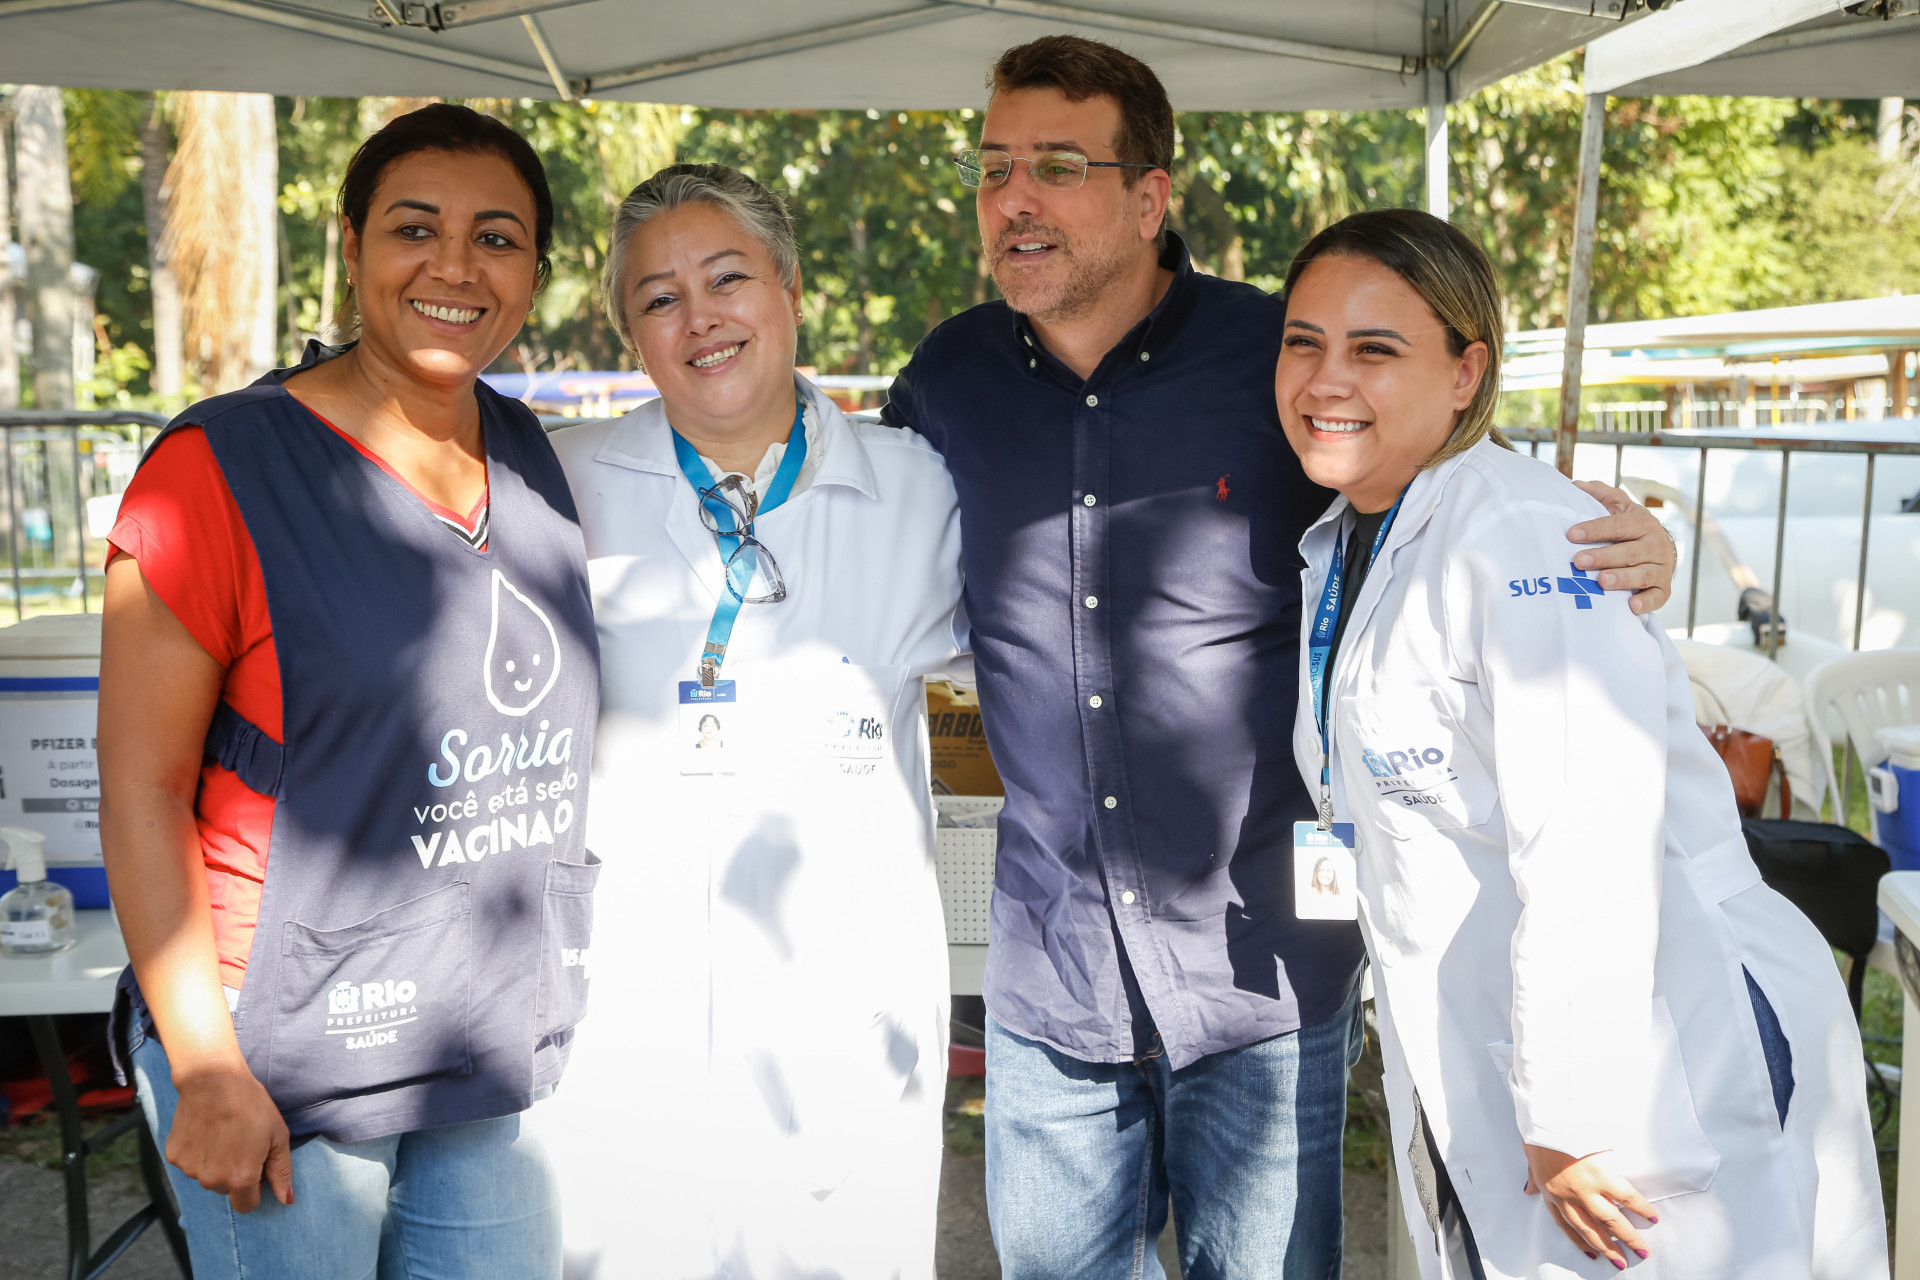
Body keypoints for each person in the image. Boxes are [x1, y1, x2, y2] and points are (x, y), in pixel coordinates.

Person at [880, 35, 1680, 1278]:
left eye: (1055, 165)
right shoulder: (948, 378)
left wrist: (1622, 546)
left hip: (1261, 968)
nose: (1011, 200)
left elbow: (1448, 479)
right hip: (1052, 979)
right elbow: (839, 520)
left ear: (1152, 197)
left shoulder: (1281, 356)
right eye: (992, 169)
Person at [1280, 207, 1885, 1279]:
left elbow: (1589, 838)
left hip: (1639, 1057)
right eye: (1303, 342)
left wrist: (1571, 1110)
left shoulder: (1523, 535)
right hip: (1491, 1038)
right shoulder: (1354, 532)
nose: (1328, 379)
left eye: (1376, 348)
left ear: (1468, 372)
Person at [98, 104, 598, 1279]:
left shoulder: (532, 458)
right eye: (414, 227)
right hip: (279, 1046)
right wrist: (208, 1061)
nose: (455, 267)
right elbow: (140, 783)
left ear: (533, 270)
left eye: (498, 237)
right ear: (354, 242)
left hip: (467, 1035)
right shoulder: (218, 467)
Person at [532, 164, 965, 1279]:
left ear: (790, 286)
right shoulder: (557, 487)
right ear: (629, 333)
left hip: (843, 1033)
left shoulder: (923, 489)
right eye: (659, 298)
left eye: (728, 278)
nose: (700, 316)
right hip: (625, 1028)